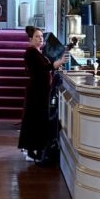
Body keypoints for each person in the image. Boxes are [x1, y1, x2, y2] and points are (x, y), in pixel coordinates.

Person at [18, 25, 68, 164]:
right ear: (30, 39)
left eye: (41, 37)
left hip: (41, 90)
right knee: (35, 120)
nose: (40, 39)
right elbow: (43, 69)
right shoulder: (31, 52)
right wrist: (58, 63)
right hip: (36, 91)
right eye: (37, 37)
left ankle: (36, 149)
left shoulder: (38, 52)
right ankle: (32, 150)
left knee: (39, 120)